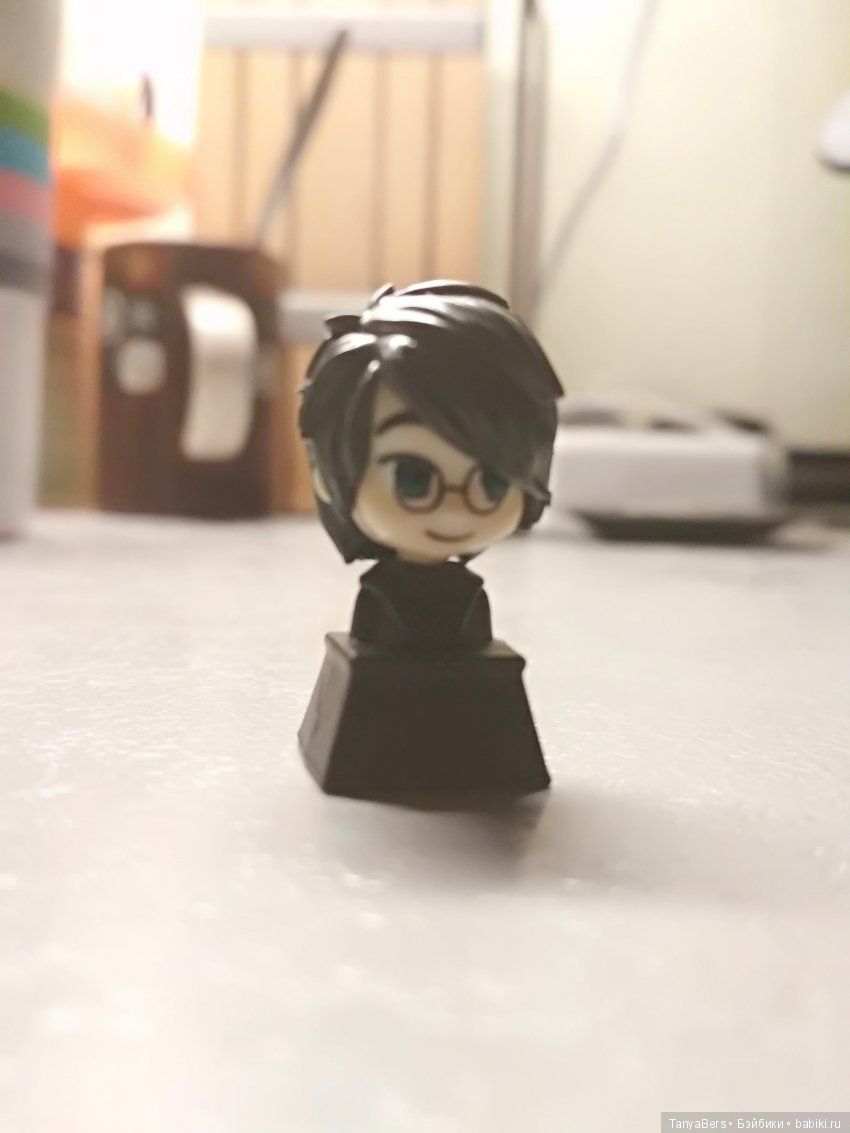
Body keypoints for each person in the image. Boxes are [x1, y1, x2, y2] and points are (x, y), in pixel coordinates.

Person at [297, 280, 563, 800]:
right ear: (330, 474)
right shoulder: (379, 601)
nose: (458, 509)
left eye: (492, 482)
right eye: (414, 479)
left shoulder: (470, 599)